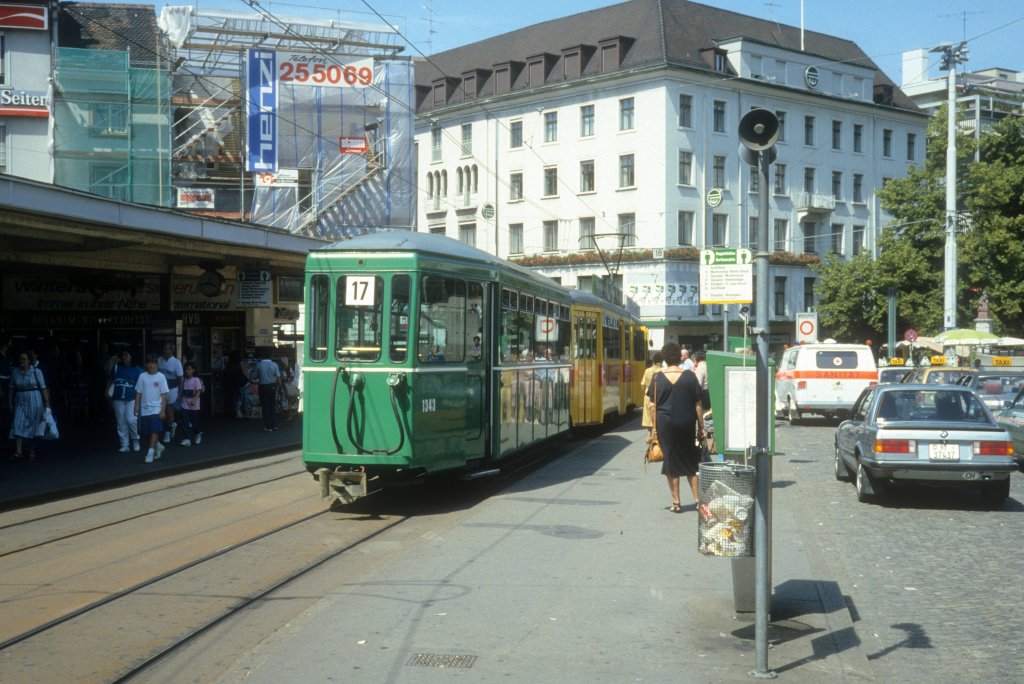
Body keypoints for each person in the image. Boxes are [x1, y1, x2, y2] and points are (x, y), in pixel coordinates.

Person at [646, 342, 704, 513]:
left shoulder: (657, 378)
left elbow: (651, 405)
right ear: (680, 357)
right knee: (690, 461)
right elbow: (698, 404)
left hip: (666, 424)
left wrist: (654, 427)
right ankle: (697, 501)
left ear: (664, 357)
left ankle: (676, 502)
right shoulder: (689, 376)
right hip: (686, 422)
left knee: (671, 461)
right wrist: (701, 426)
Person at [8, 351, 51, 461]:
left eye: (23, 359)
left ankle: (31, 451)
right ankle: (18, 451)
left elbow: (43, 387)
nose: (21, 361)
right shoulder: (15, 372)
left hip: (35, 400)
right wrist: (10, 402)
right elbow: (12, 387)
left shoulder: (37, 372)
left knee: (33, 426)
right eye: (20, 359)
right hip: (20, 399)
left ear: (29, 361)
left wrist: (47, 403)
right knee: (18, 423)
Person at [134, 353, 168, 464]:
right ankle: (158, 446)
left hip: (156, 408)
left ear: (156, 364)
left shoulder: (161, 377)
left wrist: (163, 410)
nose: (151, 365)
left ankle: (150, 452)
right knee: (147, 431)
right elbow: (139, 392)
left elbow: (164, 395)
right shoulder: (142, 376)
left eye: (153, 363)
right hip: (145, 409)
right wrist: (136, 407)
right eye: (149, 363)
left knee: (154, 430)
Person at [107, 349, 143, 453]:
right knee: (121, 422)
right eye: (122, 355)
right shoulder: (116, 367)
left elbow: (141, 386)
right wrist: (106, 391)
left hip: (132, 398)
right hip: (118, 398)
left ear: (132, 356)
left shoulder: (138, 370)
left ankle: (135, 439)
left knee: (131, 419)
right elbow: (110, 379)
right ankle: (125, 444)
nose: (124, 357)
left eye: (126, 355)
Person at [158, 342, 183, 444]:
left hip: (172, 389)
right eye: (163, 349)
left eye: (166, 349)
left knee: (169, 411)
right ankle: (171, 425)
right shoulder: (160, 360)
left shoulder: (176, 362)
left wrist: (180, 393)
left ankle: (168, 432)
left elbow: (181, 378)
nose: (164, 351)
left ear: (172, 350)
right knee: (160, 411)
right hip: (161, 389)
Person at [255, 349, 283, 431]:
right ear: (270, 355)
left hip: (262, 386)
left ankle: (268, 426)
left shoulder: (259, 365)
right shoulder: (274, 364)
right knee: (272, 406)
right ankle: (274, 425)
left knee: (265, 407)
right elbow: (278, 377)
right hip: (272, 386)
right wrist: (281, 387)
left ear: (261, 356)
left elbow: (255, 377)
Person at [179, 361, 204, 446]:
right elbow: (183, 390)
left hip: (194, 404)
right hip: (185, 402)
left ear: (193, 370)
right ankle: (186, 439)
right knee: (185, 421)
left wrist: (194, 399)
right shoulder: (184, 379)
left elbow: (199, 391)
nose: (187, 371)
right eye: (186, 369)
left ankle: (197, 433)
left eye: (189, 369)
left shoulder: (196, 379)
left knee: (194, 421)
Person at [640, 351, 663, 441]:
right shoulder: (662, 371)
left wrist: (645, 391)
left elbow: (642, 384)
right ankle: (656, 433)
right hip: (659, 395)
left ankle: (650, 433)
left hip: (648, 396)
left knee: (649, 415)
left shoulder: (647, 370)